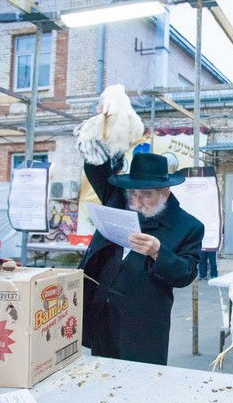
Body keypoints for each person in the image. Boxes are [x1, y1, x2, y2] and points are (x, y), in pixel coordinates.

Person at [79, 153, 203, 365]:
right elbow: (96, 169)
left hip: (143, 324)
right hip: (104, 312)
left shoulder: (188, 226)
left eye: (146, 194)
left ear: (165, 193)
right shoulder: (118, 201)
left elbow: (186, 274)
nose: (136, 202)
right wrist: (100, 139)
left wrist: (158, 252)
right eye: (132, 193)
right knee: (101, 374)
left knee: (139, 382)